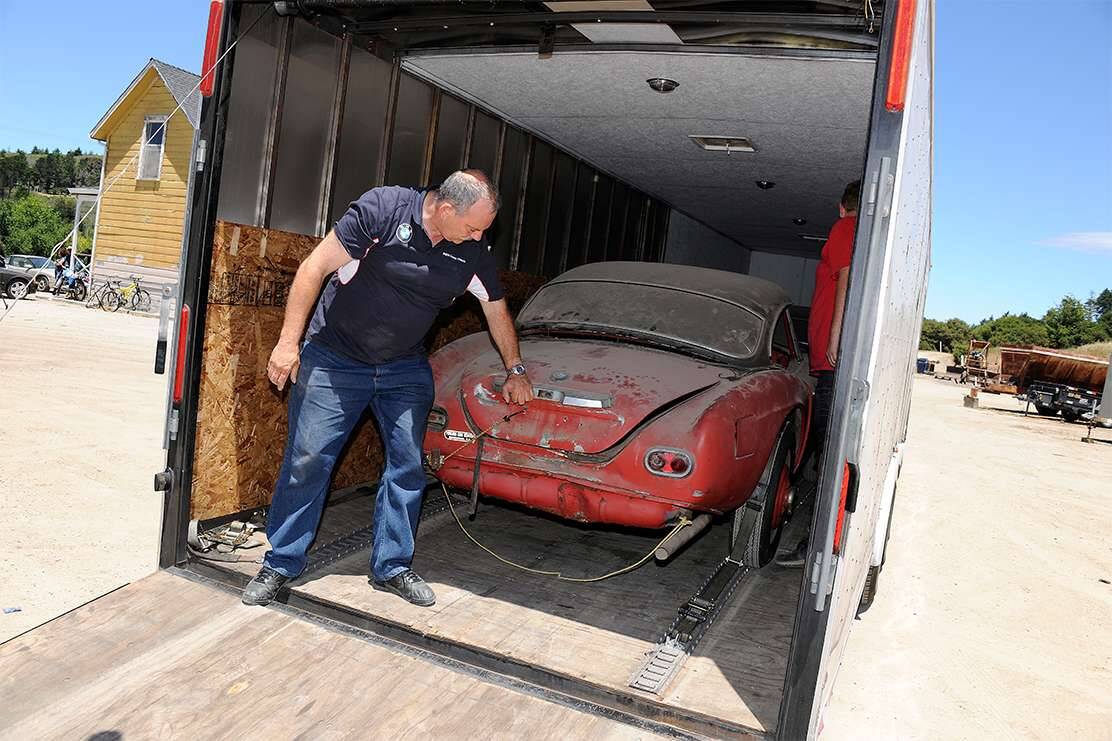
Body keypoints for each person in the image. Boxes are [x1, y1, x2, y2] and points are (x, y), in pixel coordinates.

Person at [242, 170, 535, 608]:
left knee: (406, 466)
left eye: (483, 230)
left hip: (402, 366)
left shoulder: (471, 250)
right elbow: (314, 268)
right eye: (473, 226)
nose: (478, 236)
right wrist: (288, 343)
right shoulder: (383, 210)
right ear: (445, 208)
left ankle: (392, 566)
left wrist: (516, 368)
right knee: (308, 460)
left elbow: (496, 309)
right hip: (336, 357)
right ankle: (281, 562)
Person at [776, 179, 859, 568]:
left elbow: (844, 277)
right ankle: (819, 545)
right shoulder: (861, 233)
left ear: (842, 207)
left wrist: (835, 340)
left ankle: (815, 549)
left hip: (832, 363)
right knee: (828, 454)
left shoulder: (846, 228)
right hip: (831, 363)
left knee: (827, 458)